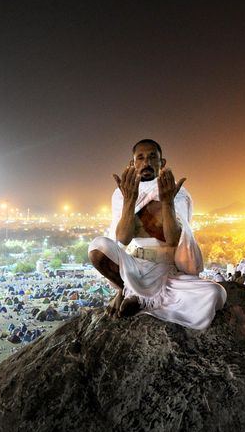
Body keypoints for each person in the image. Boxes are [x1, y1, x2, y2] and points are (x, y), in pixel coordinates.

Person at [88, 139, 227, 329]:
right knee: (97, 247)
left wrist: (167, 202)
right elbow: (122, 238)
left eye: (153, 157)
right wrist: (130, 199)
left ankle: (141, 299)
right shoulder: (121, 194)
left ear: (162, 163)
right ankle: (127, 291)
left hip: (165, 272)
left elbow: (173, 240)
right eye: (141, 157)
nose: (146, 162)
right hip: (133, 266)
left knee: (214, 293)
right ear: (132, 164)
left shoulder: (177, 193)